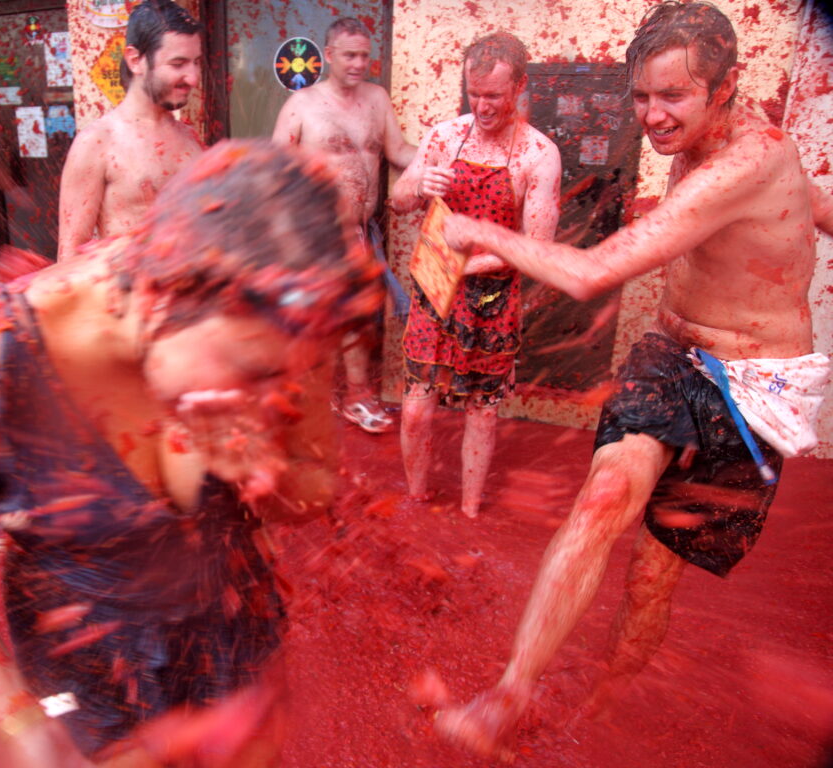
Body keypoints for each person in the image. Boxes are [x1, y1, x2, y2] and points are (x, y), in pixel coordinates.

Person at [0, 140, 381, 767]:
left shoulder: (282, 311)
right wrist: (22, 724)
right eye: (253, 373)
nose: (274, 398)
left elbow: (314, 486)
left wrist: (262, 471)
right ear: (162, 297)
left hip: (235, 651)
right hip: (89, 683)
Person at [434, 3, 832, 760]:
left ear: (727, 87)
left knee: (654, 575)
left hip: (757, 390)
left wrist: (479, 231)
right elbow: (814, 206)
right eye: (642, 97)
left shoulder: (752, 157)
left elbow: (592, 273)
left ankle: (609, 704)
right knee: (604, 498)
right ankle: (510, 695)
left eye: (672, 97)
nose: (652, 117)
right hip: (672, 351)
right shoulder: (717, 142)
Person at [388, 32, 561, 517]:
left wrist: (471, 262)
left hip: (493, 297)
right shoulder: (444, 136)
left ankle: (469, 509)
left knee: (481, 412)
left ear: (521, 86)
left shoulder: (538, 154)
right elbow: (398, 203)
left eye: (495, 96)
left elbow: (539, 250)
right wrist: (419, 183)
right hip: (436, 284)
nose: (482, 106)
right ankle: (417, 496)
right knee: (418, 407)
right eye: (474, 93)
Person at [273, 16, 416, 434]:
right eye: (349, 55)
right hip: (314, 234)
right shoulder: (302, 105)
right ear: (329, 55)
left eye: (364, 56)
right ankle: (299, 402)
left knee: (355, 317)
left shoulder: (376, 99)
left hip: (359, 232)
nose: (358, 63)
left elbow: (399, 149)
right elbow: (275, 170)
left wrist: (443, 158)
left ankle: (355, 398)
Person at [57, 0, 203, 262]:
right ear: (136, 60)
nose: (193, 78)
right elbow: (69, 261)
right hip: (130, 299)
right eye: (178, 64)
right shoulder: (97, 143)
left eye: (196, 62)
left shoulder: (190, 138)